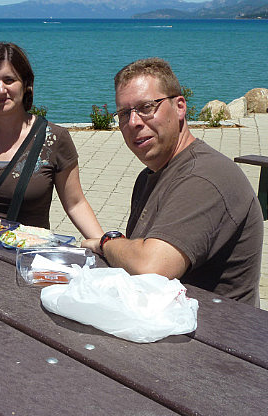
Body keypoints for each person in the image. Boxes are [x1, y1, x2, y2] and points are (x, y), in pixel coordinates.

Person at [82, 57, 263, 306]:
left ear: (180, 107)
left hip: (216, 336)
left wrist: (106, 241)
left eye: (146, 107)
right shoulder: (149, 177)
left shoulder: (205, 176)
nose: (133, 122)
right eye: (124, 113)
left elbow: (151, 268)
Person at [0, 41, 103, 238]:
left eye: (9, 80)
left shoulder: (54, 139)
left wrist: (104, 245)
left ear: (27, 85)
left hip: (28, 256)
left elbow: (75, 203)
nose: (0, 90)